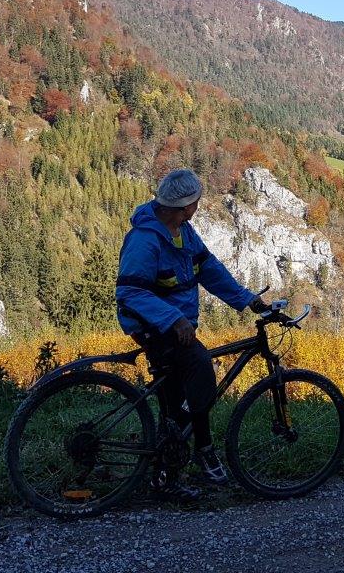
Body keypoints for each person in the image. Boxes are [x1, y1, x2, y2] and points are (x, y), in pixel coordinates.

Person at [115, 168, 269, 502]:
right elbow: (130, 293)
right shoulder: (146, 240)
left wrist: (247, 299)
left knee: (179, 391)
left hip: (174, 326)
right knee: (201, 368)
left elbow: (209, 270)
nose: (197, 208)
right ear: (186, 207)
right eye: (196, 203)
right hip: (153, 328)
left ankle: (179, 459)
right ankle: (186, 448)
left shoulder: (183, 231)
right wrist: (174, 320)